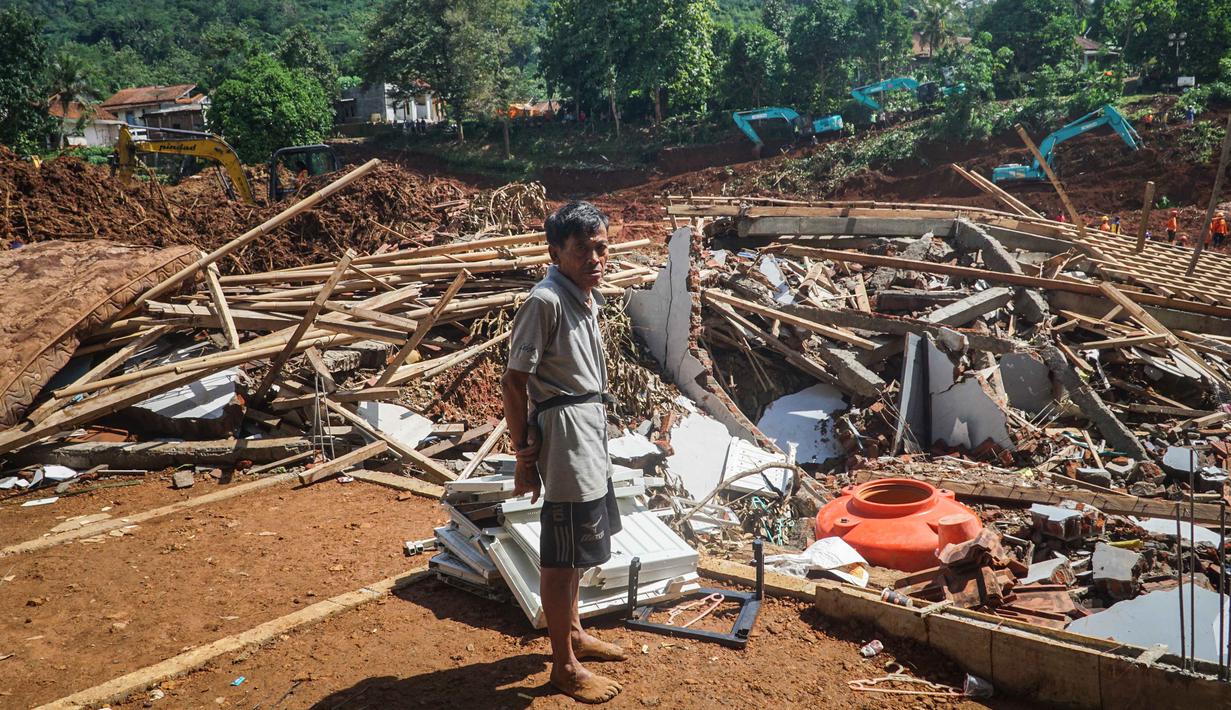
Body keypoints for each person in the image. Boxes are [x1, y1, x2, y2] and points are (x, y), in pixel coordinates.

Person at [502, 201, 625, 705]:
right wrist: (523, 454)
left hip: (586, 426)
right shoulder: (547, 301)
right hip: (566, 433)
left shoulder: (582, 296)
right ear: (556, 252)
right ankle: (563, 668)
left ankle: (573, 634)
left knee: (580, 543)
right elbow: (514, 382)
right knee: (562, 552)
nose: (595, 258)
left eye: (601, 247)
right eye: (582, 250)